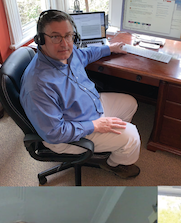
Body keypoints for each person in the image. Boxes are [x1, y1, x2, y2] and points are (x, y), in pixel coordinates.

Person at [21, 9, 141, 179]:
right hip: (68, 133)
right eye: (55, 37)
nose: (64, 44)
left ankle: (110, 147)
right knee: (132, 137)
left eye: (68, 35)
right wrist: (95, 126)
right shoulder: (38, 84)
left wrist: (110, 48)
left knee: (130, 103)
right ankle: (112, 164)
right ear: (40, 40)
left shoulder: (67, 54)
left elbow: (86, 54)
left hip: (87, 108)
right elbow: (54, 132)